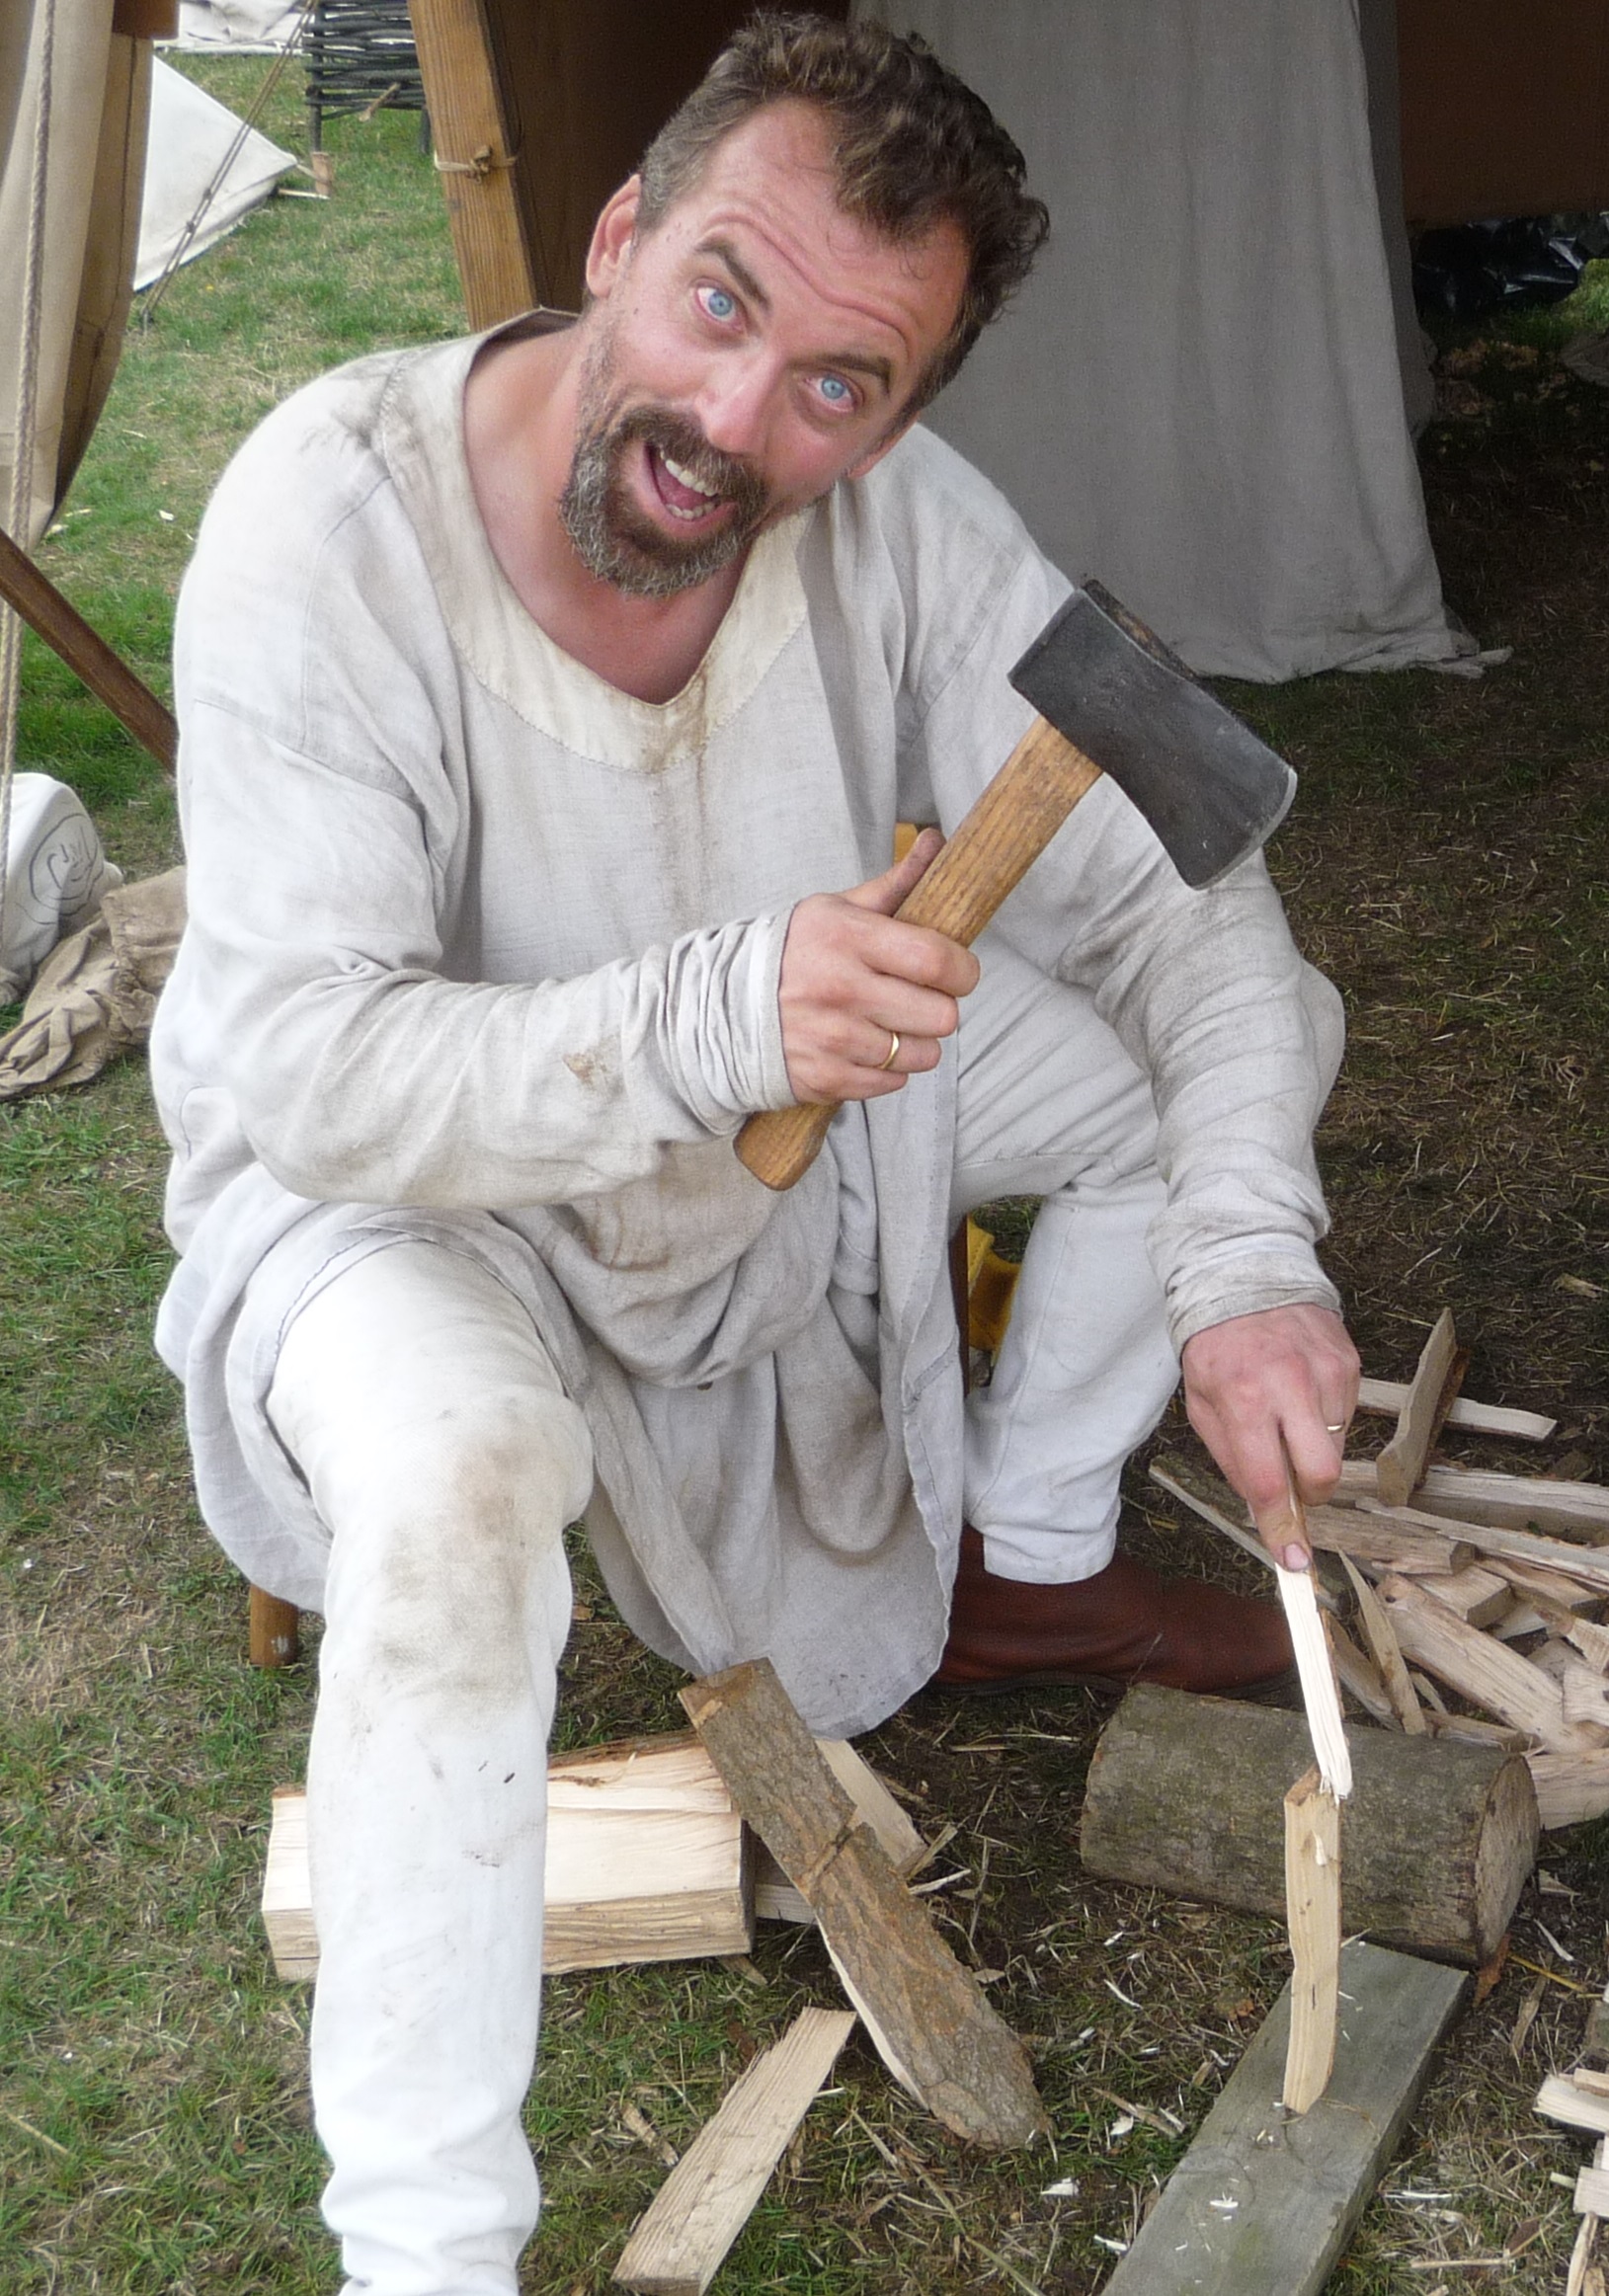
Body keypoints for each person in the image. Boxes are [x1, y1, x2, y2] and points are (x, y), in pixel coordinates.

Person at [151, 14, 1359, 2288]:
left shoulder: (911, 527)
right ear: (618, 235)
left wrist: (1246, 1260)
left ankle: (1026, 1553)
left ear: (901, 412)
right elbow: (304, 1068)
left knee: (1229, 1049)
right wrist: (716, 1011)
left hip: (786, 1110)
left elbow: (1195, 877)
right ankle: (427, 2246)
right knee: (464, 1473)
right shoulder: (328, 507)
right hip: (420, 1184)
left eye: (839, 380)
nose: (738, 420)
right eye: (719, 299)